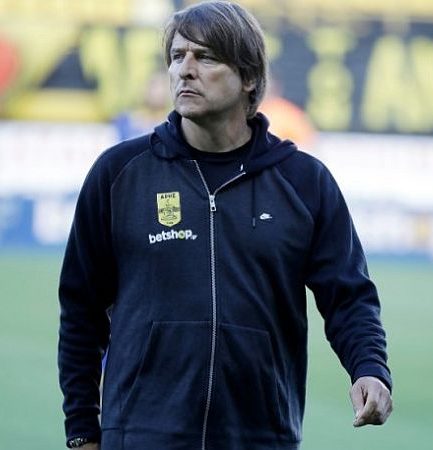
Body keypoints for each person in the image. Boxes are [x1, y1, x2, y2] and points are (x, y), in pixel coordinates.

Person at [58, 2, 393, 449]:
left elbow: (349, 297)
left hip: (260, 438)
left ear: (248, 77)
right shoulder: (119, 173)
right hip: (141, 436)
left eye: (206, 57)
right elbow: (80, 310)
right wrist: (82, 431)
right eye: (177, 56)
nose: (185, 70)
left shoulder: (304, 182)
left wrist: (369, 368)